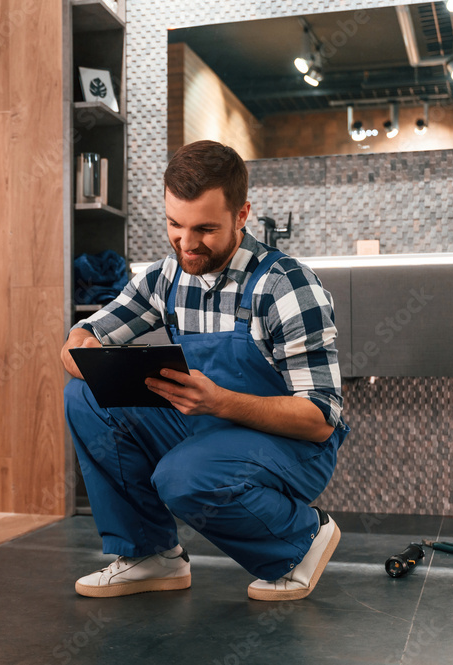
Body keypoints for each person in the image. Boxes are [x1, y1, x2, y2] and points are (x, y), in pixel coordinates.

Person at [60, 140, 350, 601]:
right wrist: (101, 363)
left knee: (182, 475)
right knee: (85, 395)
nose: (187, 243)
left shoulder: (285, 286)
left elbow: (319, 420)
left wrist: (219, 401)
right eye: (175, 224)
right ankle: (149, 555)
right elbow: (77, 342)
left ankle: (302, 539)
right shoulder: (164, 277)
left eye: (205, 229)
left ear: (242, 215)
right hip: (203, 428)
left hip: (291, 447)